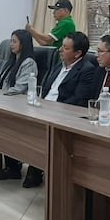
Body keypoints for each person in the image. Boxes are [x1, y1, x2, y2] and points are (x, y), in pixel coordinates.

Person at [22, 31, 95, 188]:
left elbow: (78, 100)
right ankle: (23, 165)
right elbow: (47, 90)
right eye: (62, 46)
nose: (60, 50)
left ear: (78, 53)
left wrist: (51, 109)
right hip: (44, 108)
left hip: (61, 114)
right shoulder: (58, 65)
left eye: (66, 48)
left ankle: (36, 169)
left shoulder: (86, 70)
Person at [0, 29, 37, 181]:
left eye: (14, 41)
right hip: (5, 102)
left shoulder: (28, 63)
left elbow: (20, 88)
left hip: (19, 105)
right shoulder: (11, 61)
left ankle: (14, 167)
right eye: (11, 41)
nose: (11, 44)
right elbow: (0, 83)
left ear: (23, 44)